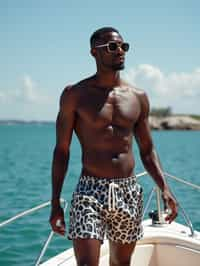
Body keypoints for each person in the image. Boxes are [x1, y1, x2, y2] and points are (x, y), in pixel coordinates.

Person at [49, 27, 178, 266]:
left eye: (123, 46)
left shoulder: (138, 97)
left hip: (128, 191)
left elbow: (147, 150)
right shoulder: (74, 95)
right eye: (112, 46)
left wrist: (164, 188)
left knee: (121, 263)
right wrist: (55, 202)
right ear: (93, 52)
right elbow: (62, 150)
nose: (120, 51)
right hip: (90, 191)